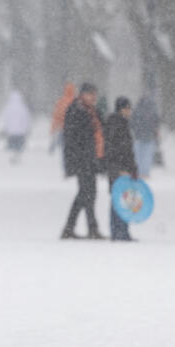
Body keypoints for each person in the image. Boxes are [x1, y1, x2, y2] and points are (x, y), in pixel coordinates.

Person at [60, 83, 105, 240]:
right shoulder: (76, 111)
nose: (93, 97)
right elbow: (72, 138)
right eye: (90, 94)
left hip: (91, 160)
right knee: (88, 194)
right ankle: (92, 228)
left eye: (94, 94)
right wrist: (77, 158)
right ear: (82, 95)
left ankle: (69, 228)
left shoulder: (93, 112)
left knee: (84, 195)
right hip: (82, 160)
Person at [104, 97, 138, 241]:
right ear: (121, 109)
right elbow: (115, 149)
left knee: (123, 198)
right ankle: (118, 231)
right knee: (119, 199)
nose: (130, 111)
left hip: (122, 169)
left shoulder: (122, 124)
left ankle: (121, 230)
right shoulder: (116, 124)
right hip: (118, 169)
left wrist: (133, 168)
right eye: (128, 108)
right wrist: (120, 169)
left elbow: (128, 151)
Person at [0, 90, 32, 164]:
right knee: (19, 146)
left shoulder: (8, 108)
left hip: (11, 132)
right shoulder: (23, 108)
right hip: (20, 132)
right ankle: (18, 157)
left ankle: (13, 157)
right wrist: (26, 128)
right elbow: (26, 119)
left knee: (12, 146)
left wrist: (6, 128)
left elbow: (5, 119)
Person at [132, 96, 159, 179]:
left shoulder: (136, 111)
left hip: (138, 137)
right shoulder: (152, 112)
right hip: (149, 137)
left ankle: (139, 172)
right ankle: (145, 173)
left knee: (138, 156)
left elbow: (132, 123)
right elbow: (156, 123)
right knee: (147, 156)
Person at [50, 83, 76, 155]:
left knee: (62, 143)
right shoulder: (76, 102)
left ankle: (56, 150)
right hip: (73, 128)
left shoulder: (61, 102)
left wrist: (53, 128)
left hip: (62, 127)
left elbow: (56, 115)